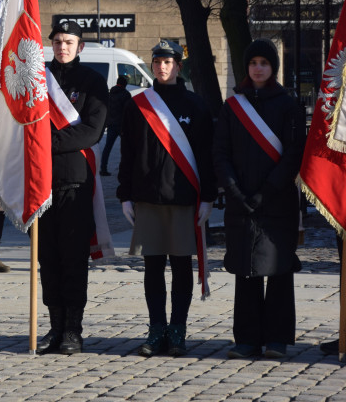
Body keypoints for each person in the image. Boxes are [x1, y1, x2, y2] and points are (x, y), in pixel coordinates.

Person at [117, 39, 215, 357]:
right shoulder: (138, 105)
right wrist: (125, 196)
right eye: (157, 61)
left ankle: (178, 330)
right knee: (153, 268)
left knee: (182, 268)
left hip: (184, 199)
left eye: (168, 62)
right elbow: (128, 154)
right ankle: (156, 329)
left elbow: (206, 156)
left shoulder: (196, 105)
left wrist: (208, 198)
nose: (162, 67)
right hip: (147, 199)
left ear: (178, 66)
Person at [213, 38, 305, 360]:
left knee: (278, 270)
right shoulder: (232, 107)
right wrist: (234, 189)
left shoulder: (289, 105)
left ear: (273, 68)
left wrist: (267, 190)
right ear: (247, 67)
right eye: (253, 63)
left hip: (276, 200)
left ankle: (277, 339)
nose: (258, 68)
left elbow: (294, 154)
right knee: (245, 269)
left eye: (264, 63)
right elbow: (220, 152)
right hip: (241, 202)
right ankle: (247, 339)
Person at [37, 19, 108, 355]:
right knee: (47, 260)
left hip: (75, 182)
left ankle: (72, 331)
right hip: (39, 184)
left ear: (80, 46)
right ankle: (54, 327)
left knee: (73, 259)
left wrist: (45, 142)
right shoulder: (36, 80)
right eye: (58, 41)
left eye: (69, 42)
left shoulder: (93, 81)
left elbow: (91, 131)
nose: (62, 47)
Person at [100, 75, 131, 176]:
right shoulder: (126, 94)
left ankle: (103, 168)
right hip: (122, 126)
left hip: (111, 124)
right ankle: (127, 169)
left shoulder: (110, 94)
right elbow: (127, 111)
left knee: (107, 148)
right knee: (127, 147)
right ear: (125, 84)